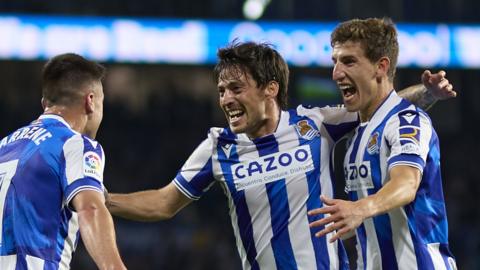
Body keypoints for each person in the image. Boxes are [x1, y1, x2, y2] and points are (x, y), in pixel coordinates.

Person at [106, 41, 454, 270]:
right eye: (222, 90)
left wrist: (427, 92)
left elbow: (380, 108)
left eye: (236, 88)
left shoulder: (315, 125)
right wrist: (97, 199)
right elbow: (162, 203)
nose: (226, 99)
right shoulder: (218, 148)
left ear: (270, 88)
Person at [308, 18, 457, 269]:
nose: (336, 73)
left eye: (349, 61)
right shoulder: (358, 133)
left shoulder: (406, 120)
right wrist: (345, 222)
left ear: (381, 67)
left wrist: (358, 209)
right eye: (335, 62)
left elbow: (406, 183)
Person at [0, 53, 126, 269]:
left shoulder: (4, 146)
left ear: (44, 104)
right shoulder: (74, 144)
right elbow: (91, 209)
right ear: (91, 101)